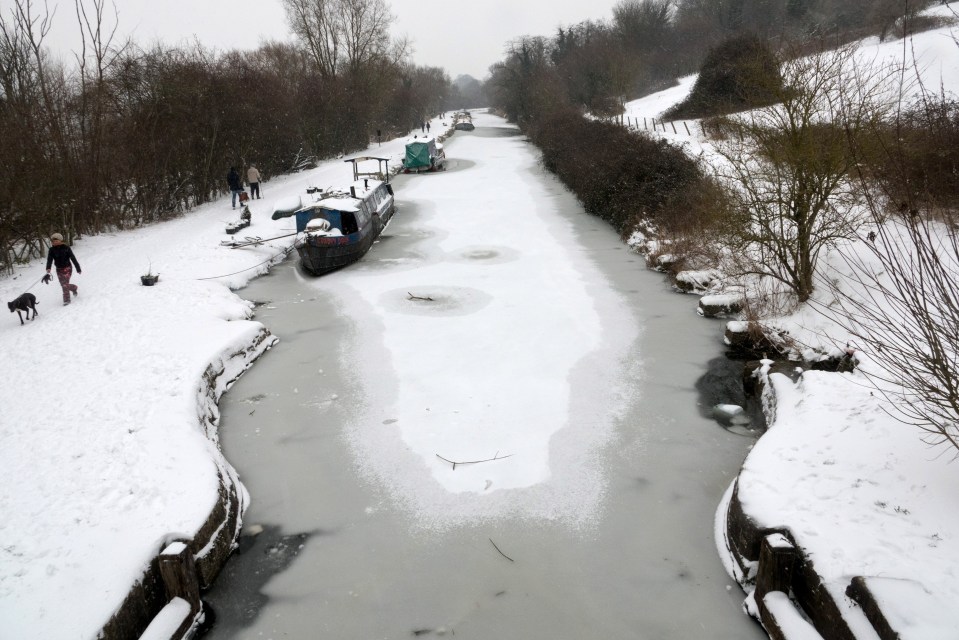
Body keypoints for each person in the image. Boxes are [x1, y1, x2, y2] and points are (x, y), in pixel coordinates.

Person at [45, 233, 81, 306]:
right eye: (53, 241)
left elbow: (73, 258)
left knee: (64, 285)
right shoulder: (51, 250)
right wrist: (48, 268)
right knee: (63, 284)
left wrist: (78, 268)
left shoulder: (66, 248)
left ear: (60, 240)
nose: (54, 242)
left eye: (56, 241)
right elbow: (49, 260)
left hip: (67, 268)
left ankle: (66, 300)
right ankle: (74, 287)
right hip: (59, 269)